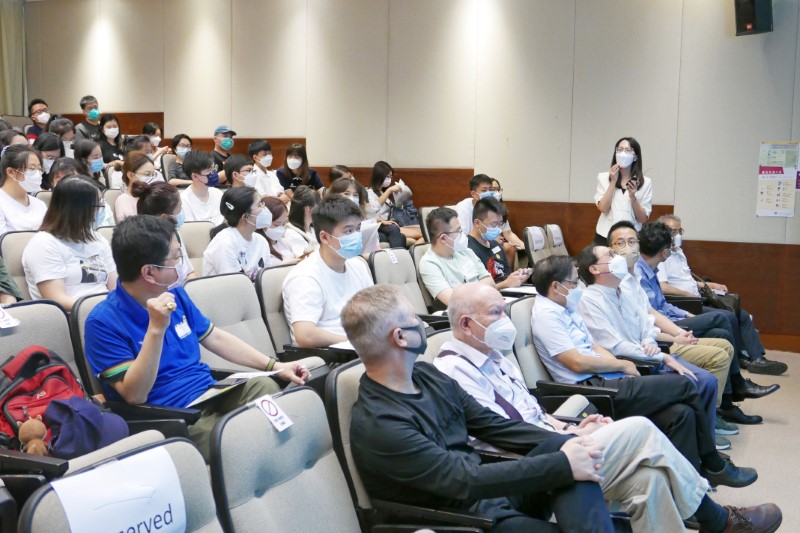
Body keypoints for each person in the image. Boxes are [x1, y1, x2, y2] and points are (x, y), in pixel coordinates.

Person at [436, 282, 780, 532]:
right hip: (525, 466)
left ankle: (714, 517)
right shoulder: (453, 370)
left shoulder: (495, 356)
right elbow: (498, 433)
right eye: (496, 313)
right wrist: (566, 437)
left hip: (553, 440)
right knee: (641, 429)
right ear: (465, 324)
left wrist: (569, 425)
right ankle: (717, 519)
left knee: (649, 480)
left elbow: (531, 413)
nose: (505, 320)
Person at [343, 284, 613, 533]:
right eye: (415, 319)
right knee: (566, 461)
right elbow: (462, 479)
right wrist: (562, 465)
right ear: (401, 337)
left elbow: (493, 425)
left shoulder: (427, 375)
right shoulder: (380, 423)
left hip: (490, 495)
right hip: (464, 519)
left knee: (565, 447)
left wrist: (571, 437)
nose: (422, 324)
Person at [84, 215, 309, 459]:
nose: (183, 263)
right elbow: (135, 395)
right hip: (171, 414)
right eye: (176, 257)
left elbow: (215, 338)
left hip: (209, 390)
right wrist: (155, 330)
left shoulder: (176, 294)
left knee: (265, 387)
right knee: (235, 440)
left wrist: (275, 366)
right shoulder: (102, 322)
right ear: (149, 272)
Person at [533, 254, 756, 485]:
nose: (577, 286)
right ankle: (713, 463)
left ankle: (692, 484)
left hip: (609, 375)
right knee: (685, 384)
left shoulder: (566, 306)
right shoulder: (547, 315)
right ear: (556, 286)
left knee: (681, 414)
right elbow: (576, 362)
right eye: (573, 282)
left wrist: (619, 366)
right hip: (591, 386)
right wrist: (622, 364)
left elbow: (594, 346)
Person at [634, 221, 779, 425]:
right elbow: (652, 314)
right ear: (664, 252)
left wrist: (688, 314)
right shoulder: (638, 273)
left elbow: (663, 304)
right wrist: (678, 329)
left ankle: (726, 404)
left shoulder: (651, 268)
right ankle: (736, 385)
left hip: (675, 318)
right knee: (723, 317)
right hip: (665, 328)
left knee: (723, 334)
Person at [657, 214, 787, 376]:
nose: (677, 235)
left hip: (697, 298)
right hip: (686, 303)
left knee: (742, 314)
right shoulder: (662, 255)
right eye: (673, 231)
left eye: (679, 231)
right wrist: (687, 293)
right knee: (728, 316)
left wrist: (708, 285)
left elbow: (685, 280)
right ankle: (739, 358)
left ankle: (757, 358)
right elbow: (663, 287)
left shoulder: (679, 252)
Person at [282, 196, 373, 348]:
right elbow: (305, 335)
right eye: (348, 231)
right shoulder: (305, 276)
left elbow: (375, 311)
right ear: (325, 237)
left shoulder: (358, 265)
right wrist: (355, 341)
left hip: (363, 344)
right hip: (331, 353)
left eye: (358, 229)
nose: (356, 236)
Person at [22, 175, 117, 311]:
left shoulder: (97, 238)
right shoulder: (43, 243)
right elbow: (57, 299)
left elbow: (115, 286)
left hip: (106, 311)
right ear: (76, 210)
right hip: (75, 316)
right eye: (98, 205)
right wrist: (104, 310)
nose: (102, 209)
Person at [419, 207, 530, 306]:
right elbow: (453, 301)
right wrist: (481, 286)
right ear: (443, 238)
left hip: (484, 305)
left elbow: (491, 283)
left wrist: (463, 290)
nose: (462, 234)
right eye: (458, 231)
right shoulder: (429, 263)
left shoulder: (465, 251)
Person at [202, 187, 272, 279]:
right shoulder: (224, 243)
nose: (264, 208)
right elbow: (233, 284)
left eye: (262, 203)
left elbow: (266, 279)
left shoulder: (261, 241)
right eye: (259, 205)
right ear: (245, 216)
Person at [593, 137, 652, 246]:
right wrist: (613, 182)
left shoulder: (645, 182)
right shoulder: (603, 177)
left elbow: (643, 218)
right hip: (605, 236)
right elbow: (603, 208)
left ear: (635, 157)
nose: (622, 153)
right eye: (619, 150)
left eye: (628, 150)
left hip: (631, 238)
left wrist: (633, 196)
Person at [133, 180, 195, 281]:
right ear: (165, 217)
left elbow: (189, 272)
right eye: (179, 208)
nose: (181, 212)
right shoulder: (141, 246)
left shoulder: (174, 234)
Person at [327, 176, 405, 249]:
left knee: (395, 229)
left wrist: (380, 221)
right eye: (346, 194)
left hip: (368, 228)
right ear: (335, 194)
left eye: (355, 195)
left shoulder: (359, 207)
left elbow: (368, 217)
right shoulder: (331, 211)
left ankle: (399, 256)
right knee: (399, 237)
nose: (352, 198)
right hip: (357, 235)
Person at [368, 161, 423, 243]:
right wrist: (389, 190)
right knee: (422, 234)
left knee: (424, 231)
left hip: (395, 223)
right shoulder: (369, 193)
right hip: (385, 226)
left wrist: (401, 197)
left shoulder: (382, 192)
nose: (389, 180)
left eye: (390, 177)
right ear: (379, 176)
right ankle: (412, 250)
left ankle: (413, 249)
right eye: (387, 176)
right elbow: (374, 208)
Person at [0, 145, 47, 237]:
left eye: (39, 169)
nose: (37, 174)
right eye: (32, 169)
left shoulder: (40, 205)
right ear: (10, 172)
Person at [467, 197, 515, 283]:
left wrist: (516, 277)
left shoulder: (496, 245)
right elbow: (475, 287)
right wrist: (505, 284)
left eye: (500, 224)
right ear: (477, 223)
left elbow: (506, 275)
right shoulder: (467, 248)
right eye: (493, 224)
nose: (498, 229)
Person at [116, 151, 162, 223]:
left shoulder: (154, 196)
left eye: (153, 174)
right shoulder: (123, 200)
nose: (151, 178)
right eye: (147, 174)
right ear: (130, 175)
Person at [180, 150, 223, 225]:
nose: (214, 173)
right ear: (195, 176)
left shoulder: (218, 193)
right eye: (209, 170)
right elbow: (192, 230)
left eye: (214, 168)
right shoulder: (183, 201)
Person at [257, 196, 301, 265]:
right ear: (263, 222)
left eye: (284, 223)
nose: (281, 228)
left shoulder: (285, 243)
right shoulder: (258, 249)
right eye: (277, 225)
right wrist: (281, 266)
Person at [284, 185, 320, 255]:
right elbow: (302, 258)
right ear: (309, 208)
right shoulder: (292, 234)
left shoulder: (313, 228)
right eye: (318, 205)